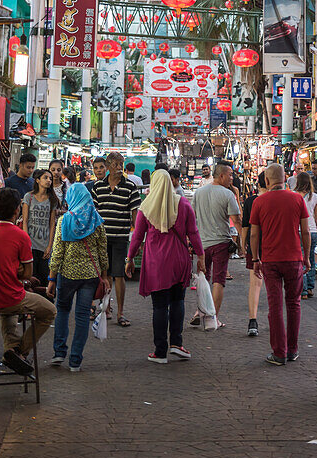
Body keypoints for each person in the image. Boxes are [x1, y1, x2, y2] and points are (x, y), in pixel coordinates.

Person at [126, 169, 206, 364]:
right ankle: (177, 344)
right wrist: (201, 257)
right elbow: (193, 233)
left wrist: (129, 259)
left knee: (159, 306)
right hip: (179, 259)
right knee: (178, 301)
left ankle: (160, 351)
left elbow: (137, 237)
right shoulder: (183, 203)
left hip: (156, 262)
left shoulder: (146, 207)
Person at [0, 187, 55, 376]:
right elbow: (26, 274)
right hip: (12, 297)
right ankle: (18, 351)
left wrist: (15, 271)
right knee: (49, 311)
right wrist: (20, 271)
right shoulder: (21, 236)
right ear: (17, 209)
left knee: (10, 311)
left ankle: (12, 350)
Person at [250, 163, 310, 366]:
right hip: (294, 258)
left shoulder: (260, 201)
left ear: (267, 181)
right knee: (294, 304)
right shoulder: (297, 199)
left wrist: (255, 259)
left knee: (275, 306)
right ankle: (292, 350)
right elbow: (306, 231)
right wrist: (307, 256)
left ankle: (279, 352)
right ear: (285, 179)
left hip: (270, 260)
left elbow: (254, 233)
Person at [46, 182, 110, 372]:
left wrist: (51, 279)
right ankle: (75, 360)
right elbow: (102, 253)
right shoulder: (97, 221)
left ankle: (59, 352)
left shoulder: (64, 221)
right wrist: (104, 276)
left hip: (67, 275)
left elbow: (57, 253)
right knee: (82, 316)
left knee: (63, 311)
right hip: (90, 277)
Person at [88, 152, 140, 327]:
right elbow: (94, 213)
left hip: (120, 237)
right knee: (104, 275)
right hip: (101, 239)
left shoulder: (130, 187)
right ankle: (106, 308)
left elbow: (135, 216)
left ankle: (121, 312)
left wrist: (136, 240)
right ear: (108, 166)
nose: (120, 167)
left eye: (121, 164)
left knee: (119, 275)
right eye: (116, 164)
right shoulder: (98, 187)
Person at [192, 160, 242, 327]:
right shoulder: (228, 194)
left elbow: (192, 218)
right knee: (218, 280)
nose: (232, 178)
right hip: (221, 242)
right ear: (221, 176)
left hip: (202, 243)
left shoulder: (199, 193)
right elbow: (237, 220)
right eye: (230, 175)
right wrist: (243, 242)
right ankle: (213, 318)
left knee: (203, 279)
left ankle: (200, 311)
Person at [241, 171, 267, 336]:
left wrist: (243, 244)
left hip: (255, 246)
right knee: (274, 285)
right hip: (274, 247)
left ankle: (253, 320)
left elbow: (246, 226)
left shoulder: (251, 201)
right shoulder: (279, 200)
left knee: (254, 284)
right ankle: (275, 318)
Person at [22, 169, 57, 287]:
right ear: (37, 180)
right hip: (30, 243)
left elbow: (52, 224)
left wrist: (49, 246)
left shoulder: (52, 200)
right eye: (45, 178)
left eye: (50, 179)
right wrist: (26, 242)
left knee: (43, 278)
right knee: (30, 277)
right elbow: (25, 221)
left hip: (44, 244)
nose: (49, 181)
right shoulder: (29, 197)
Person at [294, 171, 317, 299]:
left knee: (300, 259)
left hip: (298, 231)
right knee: (310, 259)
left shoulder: (293, 196)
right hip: (312, 230)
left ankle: (303, 290)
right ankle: (310, 288)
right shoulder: (315, 197)